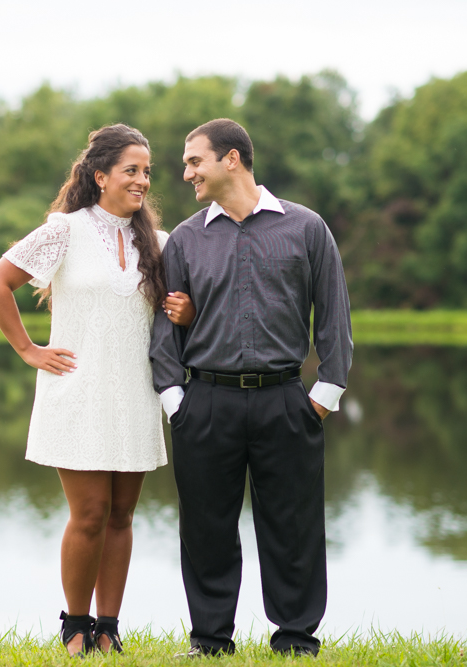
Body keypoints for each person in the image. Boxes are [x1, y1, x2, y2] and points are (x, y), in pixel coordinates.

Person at [0, 124, 194, 656]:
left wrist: (186, 311)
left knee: (122, 515)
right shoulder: (64, 231)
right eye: (131, 170)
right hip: (78, 393)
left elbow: (178, 316)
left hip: (136, 395)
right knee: (91, 513)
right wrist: (30, 350)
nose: (142, 180)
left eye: (147, 171)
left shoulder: (159, 244)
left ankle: (108, 628)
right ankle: (74, 627)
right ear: (100, 176)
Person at [150, 118, 353, 657]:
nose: (186, 171)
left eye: (195, 161)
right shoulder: (188, 239)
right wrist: (176, 403)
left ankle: (295, 638)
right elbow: (164, 331)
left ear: (232, 159)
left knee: (293, 526)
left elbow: (334, 318)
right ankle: (211, 640)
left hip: (287, 401)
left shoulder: (307, 229)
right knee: (206, 529)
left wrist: (322, 397)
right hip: (205, 403)